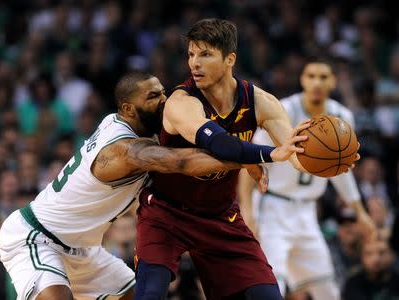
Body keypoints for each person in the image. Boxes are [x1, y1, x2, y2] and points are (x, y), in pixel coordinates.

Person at [0, 72, 264, 300]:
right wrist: (249, 156)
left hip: (82, 247)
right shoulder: (122, 150)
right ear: (128, 109)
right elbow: (181, 162)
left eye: (162, 93)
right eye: (152, 97)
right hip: (36, 236)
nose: (163, 101)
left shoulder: (127, 126)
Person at [134, 18, 315, 300]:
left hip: (220, 216)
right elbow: (219, 144)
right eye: (191, 54)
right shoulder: (181, 103)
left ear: (229, 59)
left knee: (267, 296)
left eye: (205, 54)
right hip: (167, 213)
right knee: (150, 294)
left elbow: (297, 155)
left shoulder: (260, 102)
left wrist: (328, 162)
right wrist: (266, 155)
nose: (194, 63)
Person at [239, 57, 376, 300]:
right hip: (273, 208)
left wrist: (360, 211)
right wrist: (247, 211)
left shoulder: (342, 117)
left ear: (333, 82)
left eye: (323, 77)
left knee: (327, 291)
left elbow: (340, 172)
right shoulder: (283, 111)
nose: (317, 82)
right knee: (271, 288)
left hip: (308, 213)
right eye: (311, 76)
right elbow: (251, 160)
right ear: (302, 80)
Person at [342, 235, 399, 300]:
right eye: (368, 254)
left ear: (392, 255)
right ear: (361, 257)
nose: (375, 259)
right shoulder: (353, 285)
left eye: (381, 252)